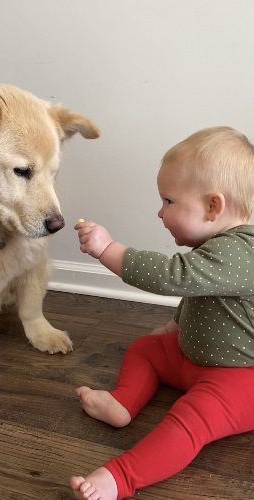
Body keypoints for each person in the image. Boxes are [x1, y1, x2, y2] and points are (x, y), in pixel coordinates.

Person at [70, 126, 254, 500]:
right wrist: (175, 326)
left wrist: (109, 250)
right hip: (193, 357)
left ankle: (120, 478)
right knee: (146, 347)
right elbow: (198, 293)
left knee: (189, 421)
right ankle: (123, 402)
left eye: (168, 201)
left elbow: (176, 277)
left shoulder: (240, 252)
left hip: (239, 378)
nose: (160, 211)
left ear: (212, 206)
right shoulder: (218, 249)